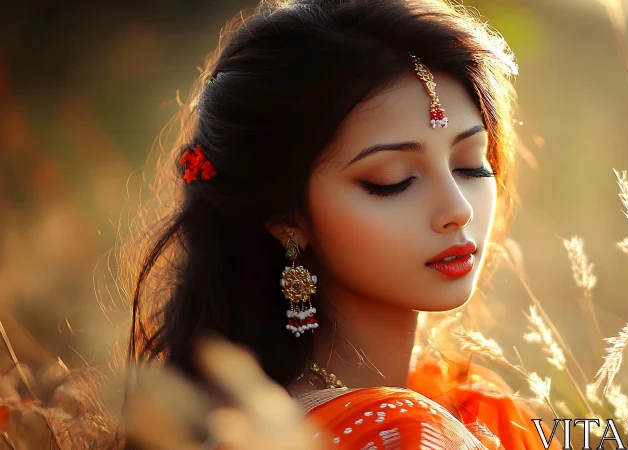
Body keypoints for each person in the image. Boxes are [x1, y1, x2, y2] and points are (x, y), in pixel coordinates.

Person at [125, 0, 557, 448]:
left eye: (470, 166)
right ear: (285, 218)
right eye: (393, 181)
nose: (458, 208)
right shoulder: (402, 431)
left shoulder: (470, 407)